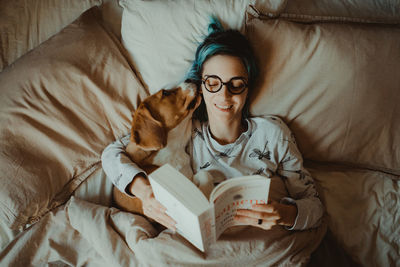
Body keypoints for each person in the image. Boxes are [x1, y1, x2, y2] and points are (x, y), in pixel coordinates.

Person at [101, 17, 324, 233]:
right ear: (201, 85)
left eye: (236, 85)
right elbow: (112, 154)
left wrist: (284, 214)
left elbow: (314, 207)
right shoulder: (185, 129)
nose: (224, 95)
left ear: (248, 87)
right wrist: (144, 192)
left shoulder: (273, 134)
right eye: (213, 83)